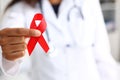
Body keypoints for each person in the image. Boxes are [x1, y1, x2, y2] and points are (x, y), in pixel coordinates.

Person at [0, 0, 118, 80]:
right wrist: (8, 56)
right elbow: (8, 63)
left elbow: (103, 58)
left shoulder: (88, 3)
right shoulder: (19, 10)